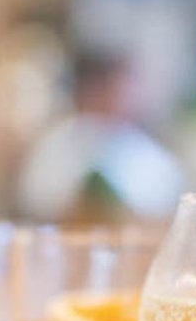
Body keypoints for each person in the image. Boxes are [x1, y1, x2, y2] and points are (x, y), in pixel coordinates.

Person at [15, 51, 186, 223]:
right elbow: (39, 202)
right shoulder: (61, 141)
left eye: (127, 89)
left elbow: (170, 202)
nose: (123, 98)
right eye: (111, 88)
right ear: (88, 90)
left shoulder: (142, 147)